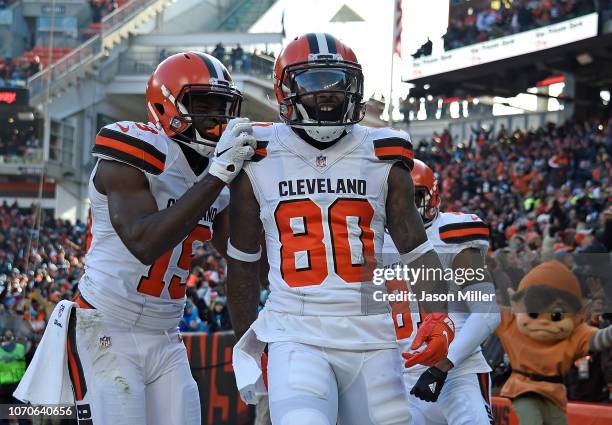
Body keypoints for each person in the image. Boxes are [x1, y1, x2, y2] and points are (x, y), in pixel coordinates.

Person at [226, 33, 455, 425]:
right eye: (313, 83)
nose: (328, 95)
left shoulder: (384, 151)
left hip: (373, 335)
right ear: (285, 90)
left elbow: (416, 249)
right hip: (295, 333)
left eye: (338, 82)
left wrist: (439, 315)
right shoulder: (256, 151)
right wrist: (253, 345)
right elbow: (243, 264)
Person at [19, 52, 256, 425]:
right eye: (203, 104)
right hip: (107, 324)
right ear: (167, 106)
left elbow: (241, 255)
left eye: (223, 106)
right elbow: (143, 242)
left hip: (165, 333)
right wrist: (218, 175)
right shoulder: (133, 150)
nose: (217, 118)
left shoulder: (221, 174)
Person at [383, 159, 500, 424]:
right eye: (396, 199)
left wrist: (442, 366)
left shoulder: (451, 236)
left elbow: (488, 314)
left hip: (458, 374)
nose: (404, 208)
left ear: (433, 196)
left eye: (415, 198)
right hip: (401, 379)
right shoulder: (377, 241)